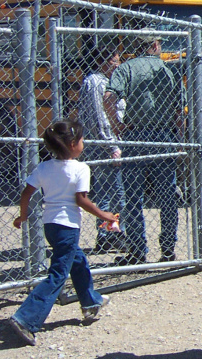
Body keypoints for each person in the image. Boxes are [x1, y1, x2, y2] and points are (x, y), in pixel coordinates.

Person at [8, 119, 118, 347]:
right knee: (58, 274)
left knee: (77, 261)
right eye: (81, 139)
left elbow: (27, 192)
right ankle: (26, 319)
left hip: (51, 226)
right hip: (68, 227)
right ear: (71, 143)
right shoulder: (81, 168)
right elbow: (81, 200)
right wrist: (104, 215)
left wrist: (23, 215)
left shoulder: (44, 167)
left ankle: (90, 302)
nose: (83, 143)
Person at [104, 35, 184, 265]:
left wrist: (116, 124)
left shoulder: (126, 68)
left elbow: (108, 97)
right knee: (167, 194)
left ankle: (138, 251)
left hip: (135, 133)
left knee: (133, 196)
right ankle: (168, 249)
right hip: (164, 133)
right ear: (156, 45)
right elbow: (180, 110)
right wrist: (178, 138)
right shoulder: (168, 71)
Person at [78, 46, 126, 253]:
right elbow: (100, 117)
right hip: (103, 144)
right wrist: (111, 145)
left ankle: (108, 234)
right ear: (103, 62)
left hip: (104, 142)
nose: (117, 66)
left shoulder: (99, 81)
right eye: (114, 62)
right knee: (115, 192)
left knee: (109, 191)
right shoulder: (97, 82)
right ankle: (110, 234)